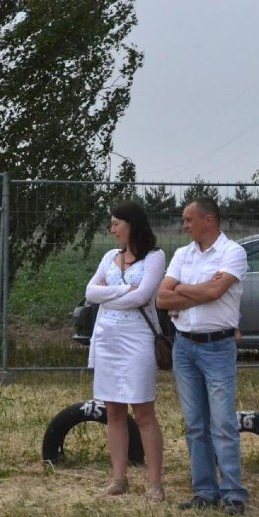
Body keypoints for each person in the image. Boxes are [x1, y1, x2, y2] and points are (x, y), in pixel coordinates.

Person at [156, 196, 249, 516]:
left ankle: (233, 492)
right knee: (195, 423)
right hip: (184, 346)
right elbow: (162, 298)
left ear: (208, 220)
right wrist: (199, 291)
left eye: (188, 219)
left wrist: (184, 289)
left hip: (218, 347)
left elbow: (215, 293)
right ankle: (205, 490)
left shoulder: (232, 252)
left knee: (222, 422)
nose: (184, 225)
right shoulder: (183, 254)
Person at [85, 201, 166, 501]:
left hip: (138, 340)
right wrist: (122, 292)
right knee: (114, 409)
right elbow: (90, 293)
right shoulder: (110, 257)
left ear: (132, 224)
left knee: (143, 411)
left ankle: (155, 482)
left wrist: (111, 296)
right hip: (108, 339)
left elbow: (144, 296)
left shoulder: (155, 257)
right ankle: (119, 478)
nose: (112, 229)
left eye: (117, 223)